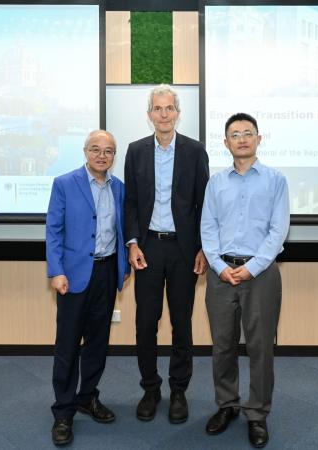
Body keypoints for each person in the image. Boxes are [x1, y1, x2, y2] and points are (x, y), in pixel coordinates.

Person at [200, 113, 290, 448]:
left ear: (258, 139)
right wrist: (219, 265)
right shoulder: (216, 183)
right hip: (222, 274)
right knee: (222, 345)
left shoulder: (276, 180)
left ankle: (257, 414)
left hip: (261, 274)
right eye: (235, 134)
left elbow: (278, 231)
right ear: (225, 143)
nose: (242, 138)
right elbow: (207, 229)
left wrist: (252, 268)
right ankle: (227, 405)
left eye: (247, 133)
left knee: (260, 347)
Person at [124, 84, 209, 424]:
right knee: (146, 322)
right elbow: (130, 202)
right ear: (149, 115)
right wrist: (132, 243)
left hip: (183, 249)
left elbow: (204, 203)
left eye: (169, 108)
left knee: (181, 323)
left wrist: (203, 247)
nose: (163, 114)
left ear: (177, 113)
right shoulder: (135, 151)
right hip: (147, 248)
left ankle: (178, 390)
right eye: (157, 109)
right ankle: (150, 388)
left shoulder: (194, 151)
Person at [46, 130, 130, 446]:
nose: (101, 155)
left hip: (107, 273)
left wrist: (122, 267)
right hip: (73, 276)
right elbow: (54, 231)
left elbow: (122, 231)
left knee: (97, 342)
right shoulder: (65, 184)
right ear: (85, 151)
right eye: (95, 149)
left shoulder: (119, 189)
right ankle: (63, 412)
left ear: (114, 155)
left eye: (108, 151)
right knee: (67, 345)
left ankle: (87, 397)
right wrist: (56, 271)